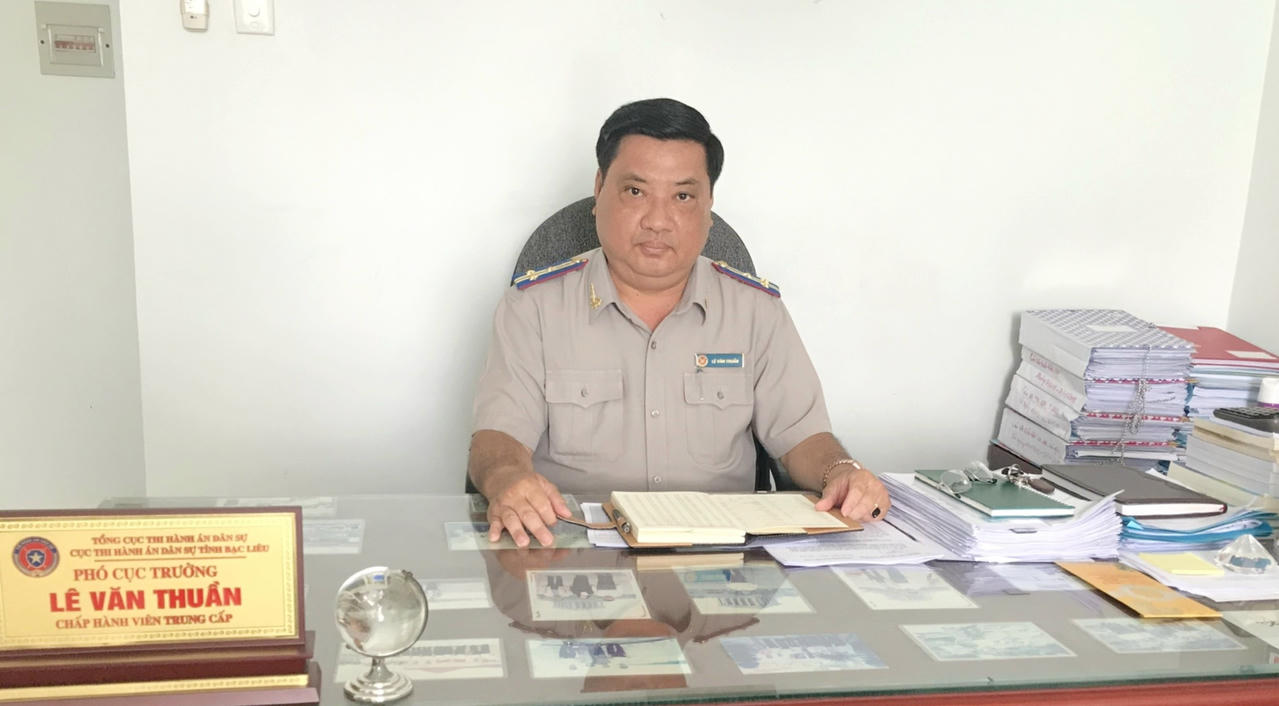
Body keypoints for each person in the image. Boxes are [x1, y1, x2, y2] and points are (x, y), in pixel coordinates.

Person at [469, 97, 890, 547]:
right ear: (599, 188)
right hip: (575, 551)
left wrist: (840, 472)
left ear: (709, 205)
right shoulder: (532, 308)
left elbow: (803, 439)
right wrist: (507, 477)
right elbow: (498, 438)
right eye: (635, 192)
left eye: (683, 197)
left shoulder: (756, 311)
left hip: (723, 561)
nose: (657, 221)